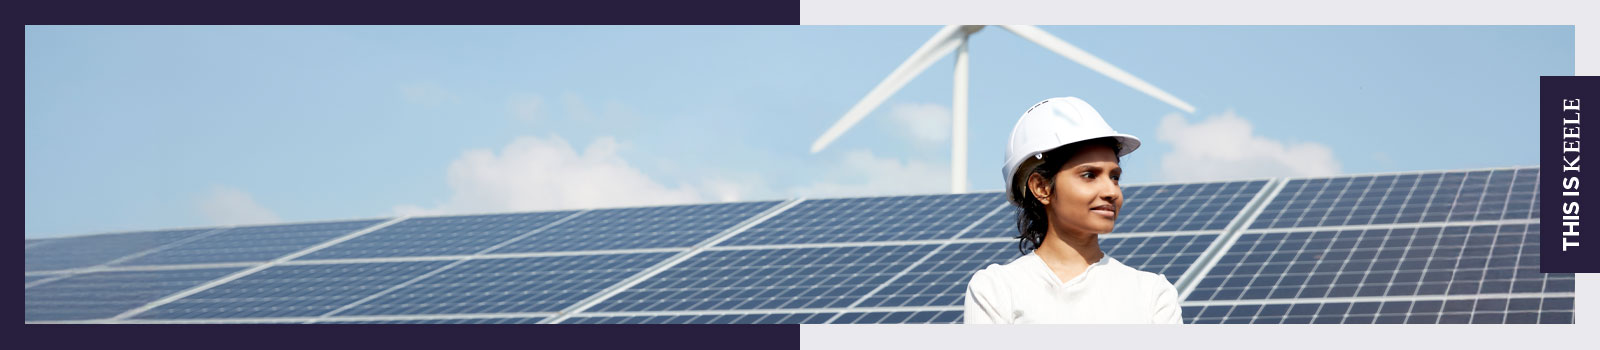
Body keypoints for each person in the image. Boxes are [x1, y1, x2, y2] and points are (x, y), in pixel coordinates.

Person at [964, 97, 1183, 324]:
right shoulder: (997, 290)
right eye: (1089, 175)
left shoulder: (1153, 294)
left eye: (1115, 177)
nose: (1111, 191)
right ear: (1041, 187)